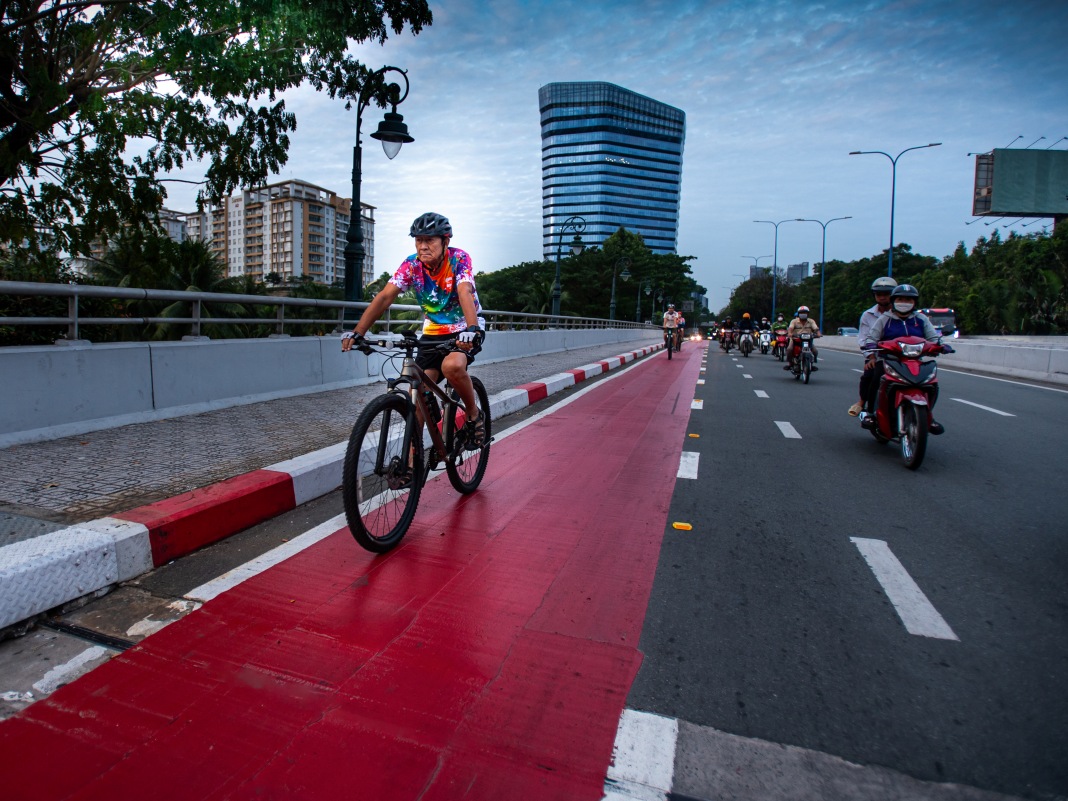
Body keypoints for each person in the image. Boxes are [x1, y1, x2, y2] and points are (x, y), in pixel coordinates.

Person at [341, 212, 487, 448]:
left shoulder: (459, 258)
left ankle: (473, 414)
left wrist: (472, 329)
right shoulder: (411, 265)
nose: (423, 246)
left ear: (445, 241)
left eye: (429, 240)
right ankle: (410, 462)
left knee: (452, 367)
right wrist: (358, 332)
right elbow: (385, 297)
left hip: (464, 327)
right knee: (417, 394)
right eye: (419, 240)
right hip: (433, 331)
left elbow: (464, 291)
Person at [862, 284, 944, 434]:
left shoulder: (921, 319)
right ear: (893, 301)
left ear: (914, 302)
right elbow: (871, 338)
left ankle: (928, 416)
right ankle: (870, 413)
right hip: (889, 360)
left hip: (916, 361)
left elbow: (933, 338)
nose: (904, 303)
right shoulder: (885, 319)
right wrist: (871, 350)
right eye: (900, 299)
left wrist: (941, 346)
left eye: (908, 300)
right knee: (876, 378)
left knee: (931, 383)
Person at [848, 276, 896, 416]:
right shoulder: (868, 315)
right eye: (878, 294)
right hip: (878, 354)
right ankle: (864, 404)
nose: (882, 297)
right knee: (870, 375)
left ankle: (925, 413)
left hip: (902, 356)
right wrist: (871, 357)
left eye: (886, 294)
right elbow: (864, 338)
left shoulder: (904, 314)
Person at [784, 305, 820, 370]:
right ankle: (790, 363)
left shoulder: (811, 321)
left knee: (815, 351)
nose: (803, 314)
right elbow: (790, 328)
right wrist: (790, 333)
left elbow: (815, 328)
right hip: (796, 339)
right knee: (789, 349)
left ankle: (811, 364)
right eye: (801, 313)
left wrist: (818, 333)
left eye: (805, 312)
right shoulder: (794, 321)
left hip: (808, 340)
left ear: (808, 314)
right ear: (798, 313)